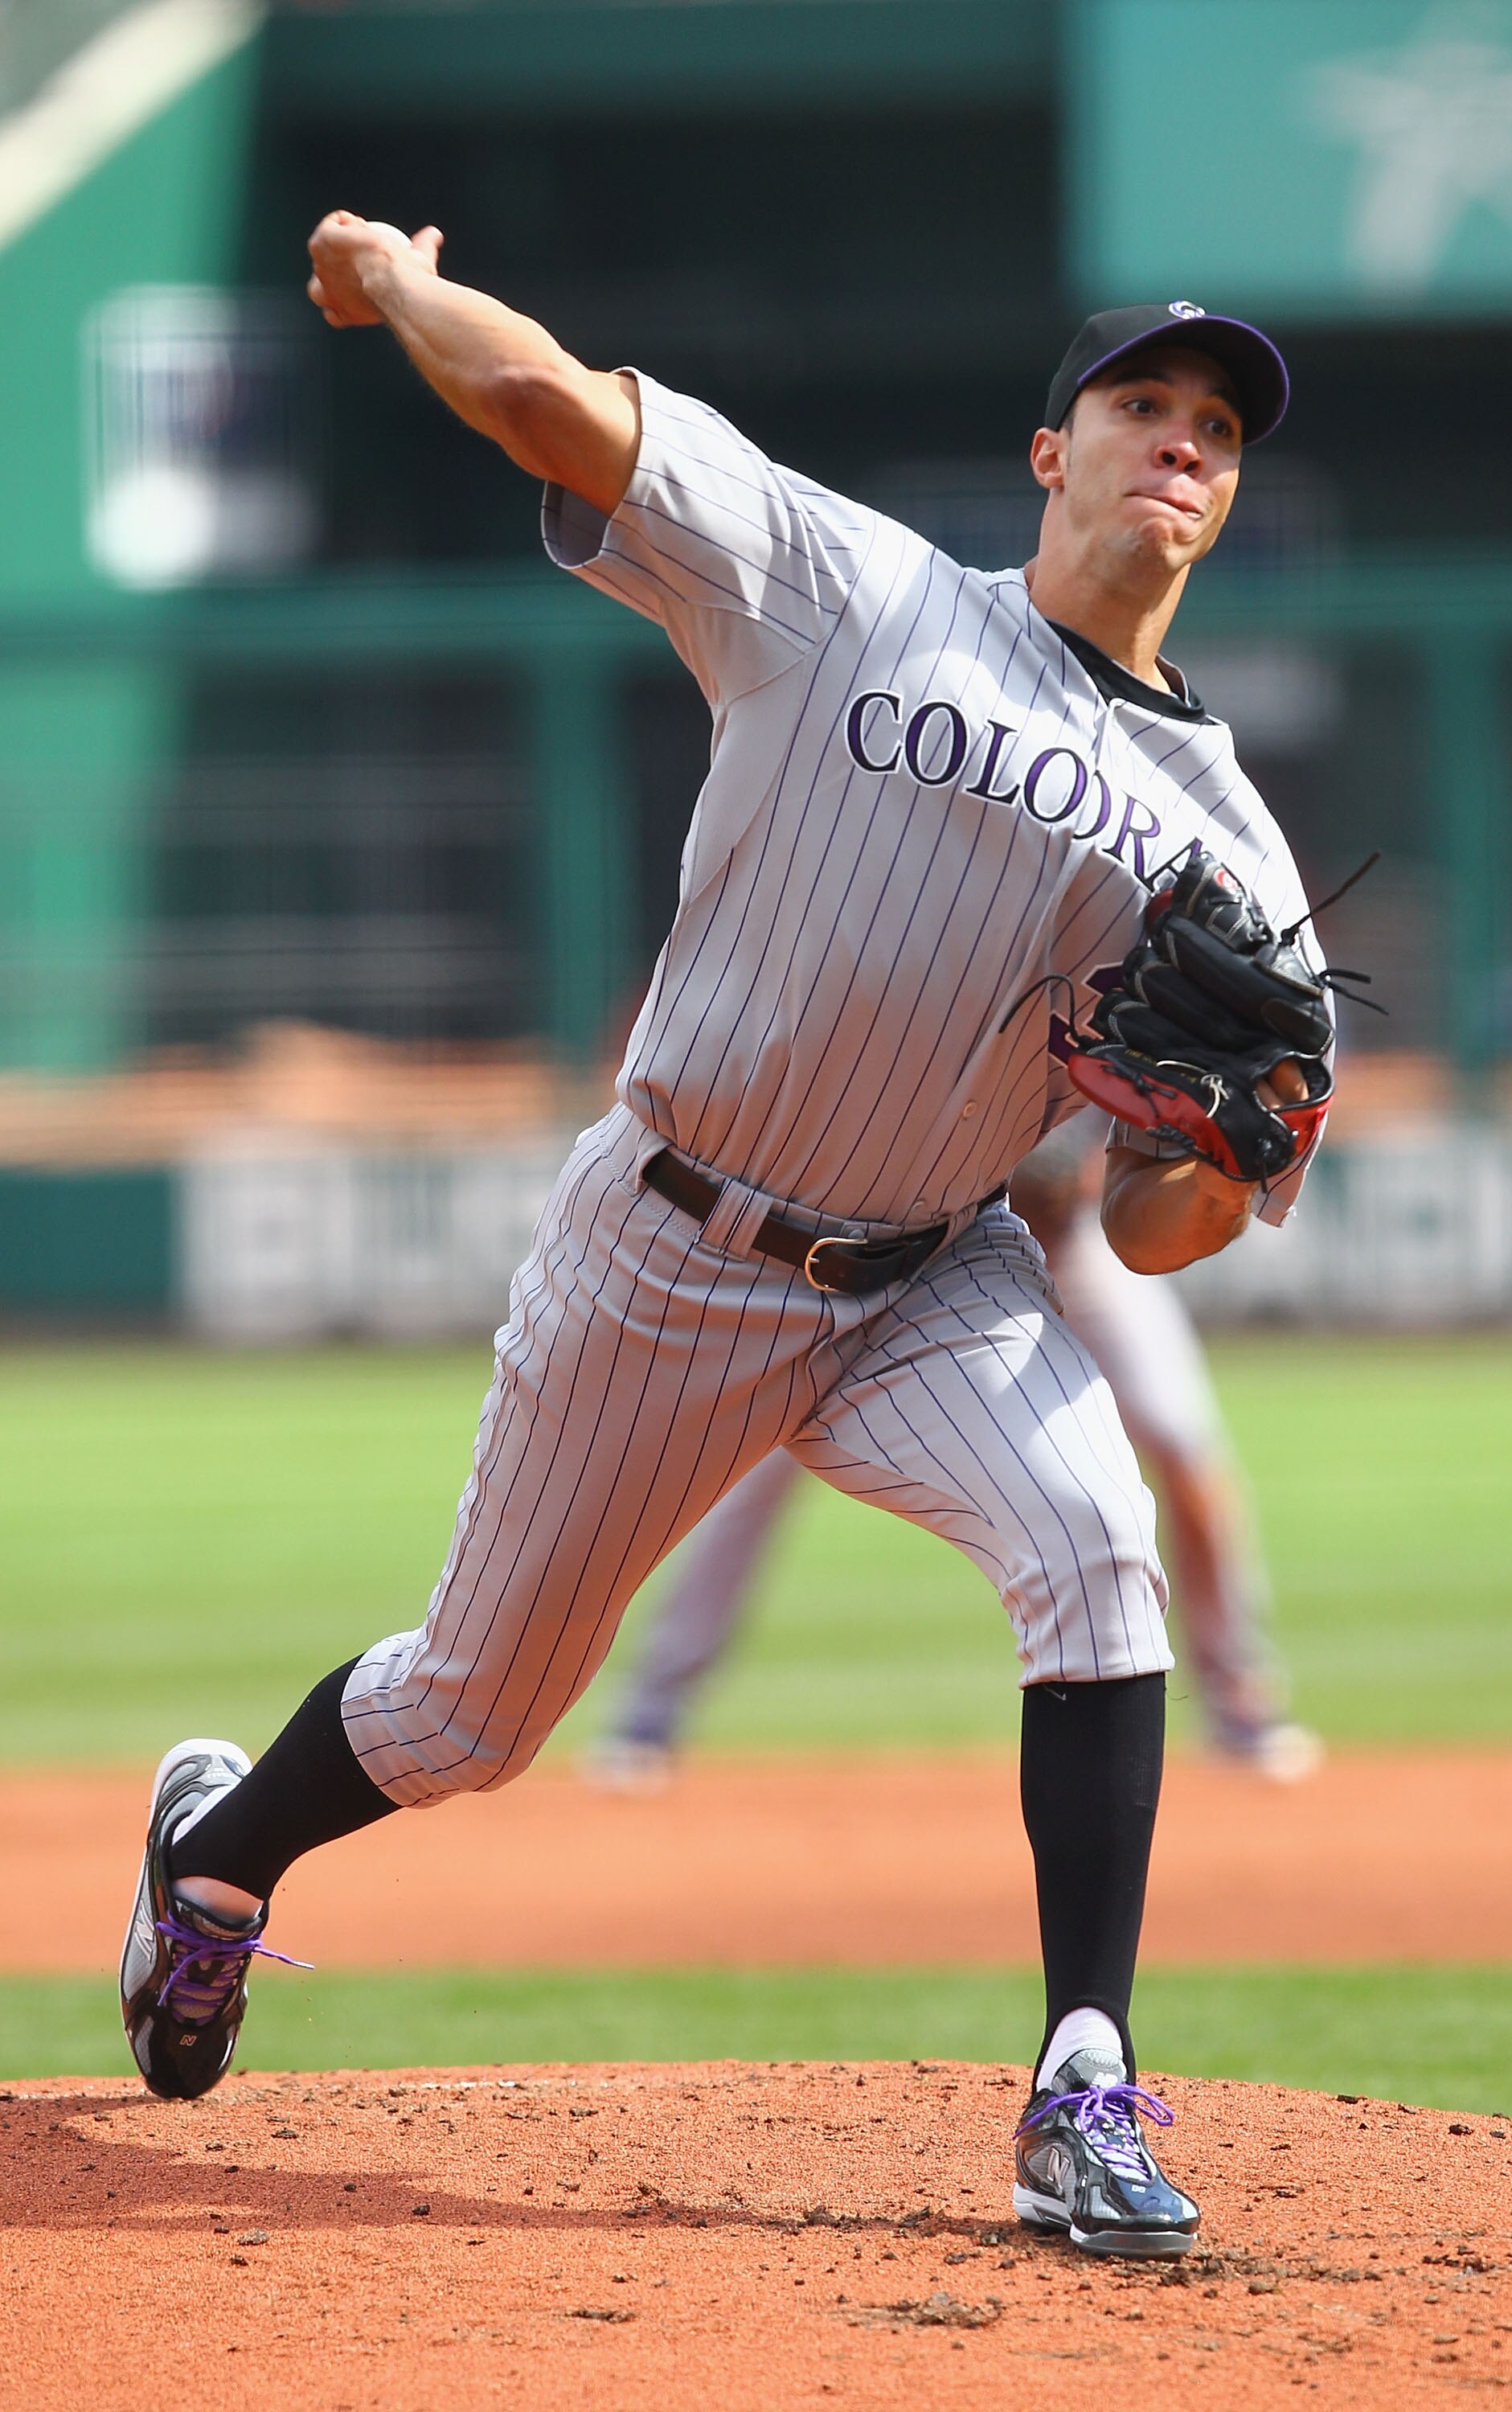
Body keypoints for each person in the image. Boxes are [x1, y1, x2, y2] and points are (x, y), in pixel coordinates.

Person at [120, 222, 1328, 2261]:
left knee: (1093, 1542)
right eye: (1141, 405)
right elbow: (551, 408)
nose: (1177, 445)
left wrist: (1213, 1139)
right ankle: (215, 1860)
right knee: (468, 1717)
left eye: (1213, 427)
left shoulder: (1231, 848)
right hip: (667, 1244)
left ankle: (1079, 2082)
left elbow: (1156, 1223)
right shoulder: (844, 584)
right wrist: (395, 288)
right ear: (1051, 454)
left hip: (927, 1269)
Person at [590, 1114, 1319, 1789]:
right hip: (901, 1250)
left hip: (1075, 1251)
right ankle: (652, 1711)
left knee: (1184, 1443)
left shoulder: (1107, 982)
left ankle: (1241, 1706)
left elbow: (1123, 1153)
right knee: (757, 1467)